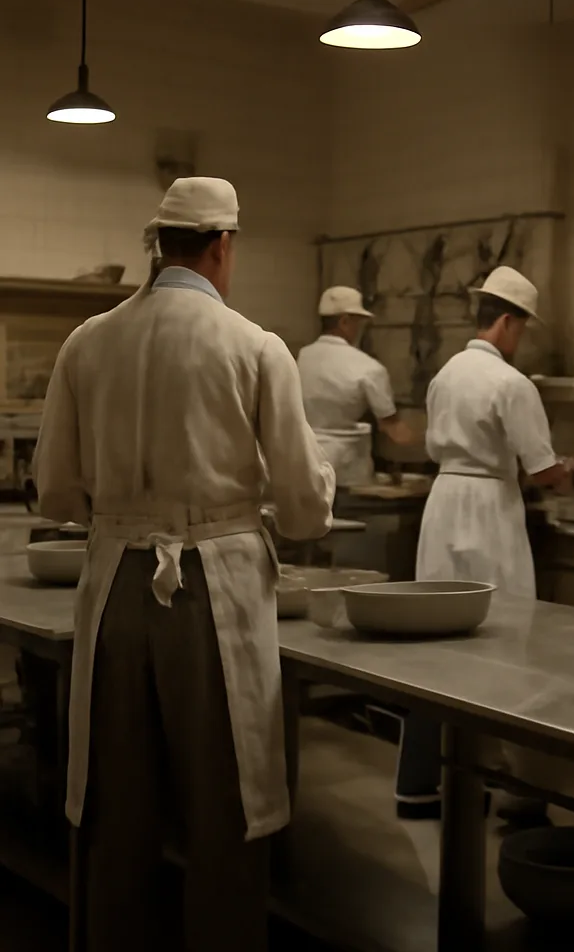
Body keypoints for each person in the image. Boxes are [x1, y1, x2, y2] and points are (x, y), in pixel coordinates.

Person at [33, 177, 336, 952]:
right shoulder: (254, 346)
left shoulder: (87, 341)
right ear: (222, 245)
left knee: (116, 810)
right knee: (226, 813)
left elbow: (55, 493)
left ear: (156, 245)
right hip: (214, 588)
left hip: (113, 590)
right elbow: (303, 509)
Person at [395, 265, 574, 822]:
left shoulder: (446, 374)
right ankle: (511, 792)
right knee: (502, 644)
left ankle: (420, 787)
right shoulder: (511, 384)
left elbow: (431, 444)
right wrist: (570, 470)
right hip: (490, 510)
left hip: (444, 503)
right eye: (522, 329)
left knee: (434, 648)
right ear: (506, 322)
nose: (520, 340)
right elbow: (541, 468)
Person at [297, 286, 414, 485]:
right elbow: (392, 428)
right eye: (357, 323)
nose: (358, 330)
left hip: (301, 459)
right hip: (345, 470)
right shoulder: (369, 368)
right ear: (344, 321)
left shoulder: (301, 357)